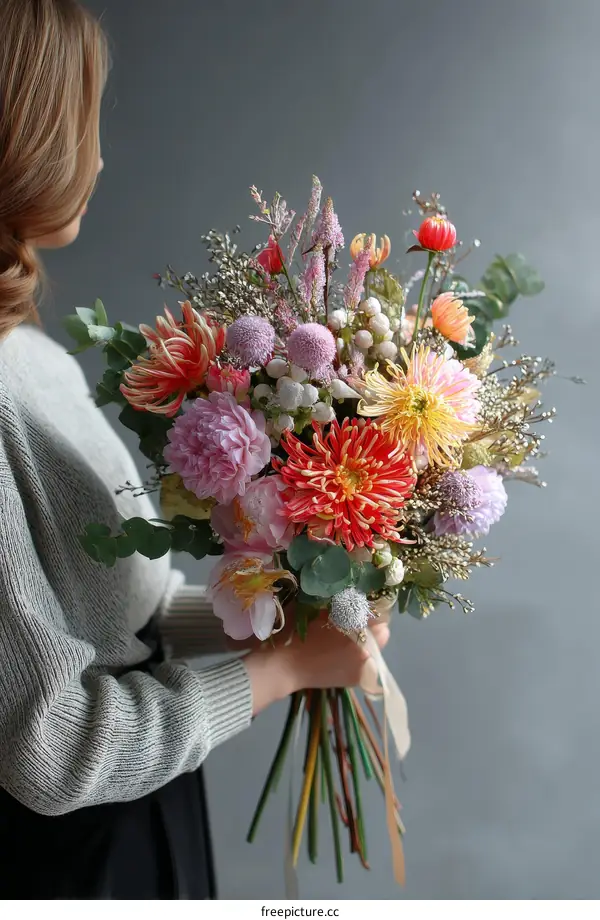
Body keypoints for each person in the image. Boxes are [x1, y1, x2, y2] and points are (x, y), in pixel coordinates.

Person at [0, 0, 390, 900]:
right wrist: (281, 667)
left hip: (139, 810)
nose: (98, 157)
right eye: (80, 122)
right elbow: (50, 747)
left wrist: (274, 614)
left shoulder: (29, 356)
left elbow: (102, 628)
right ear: (19, 138)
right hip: (65, 862)